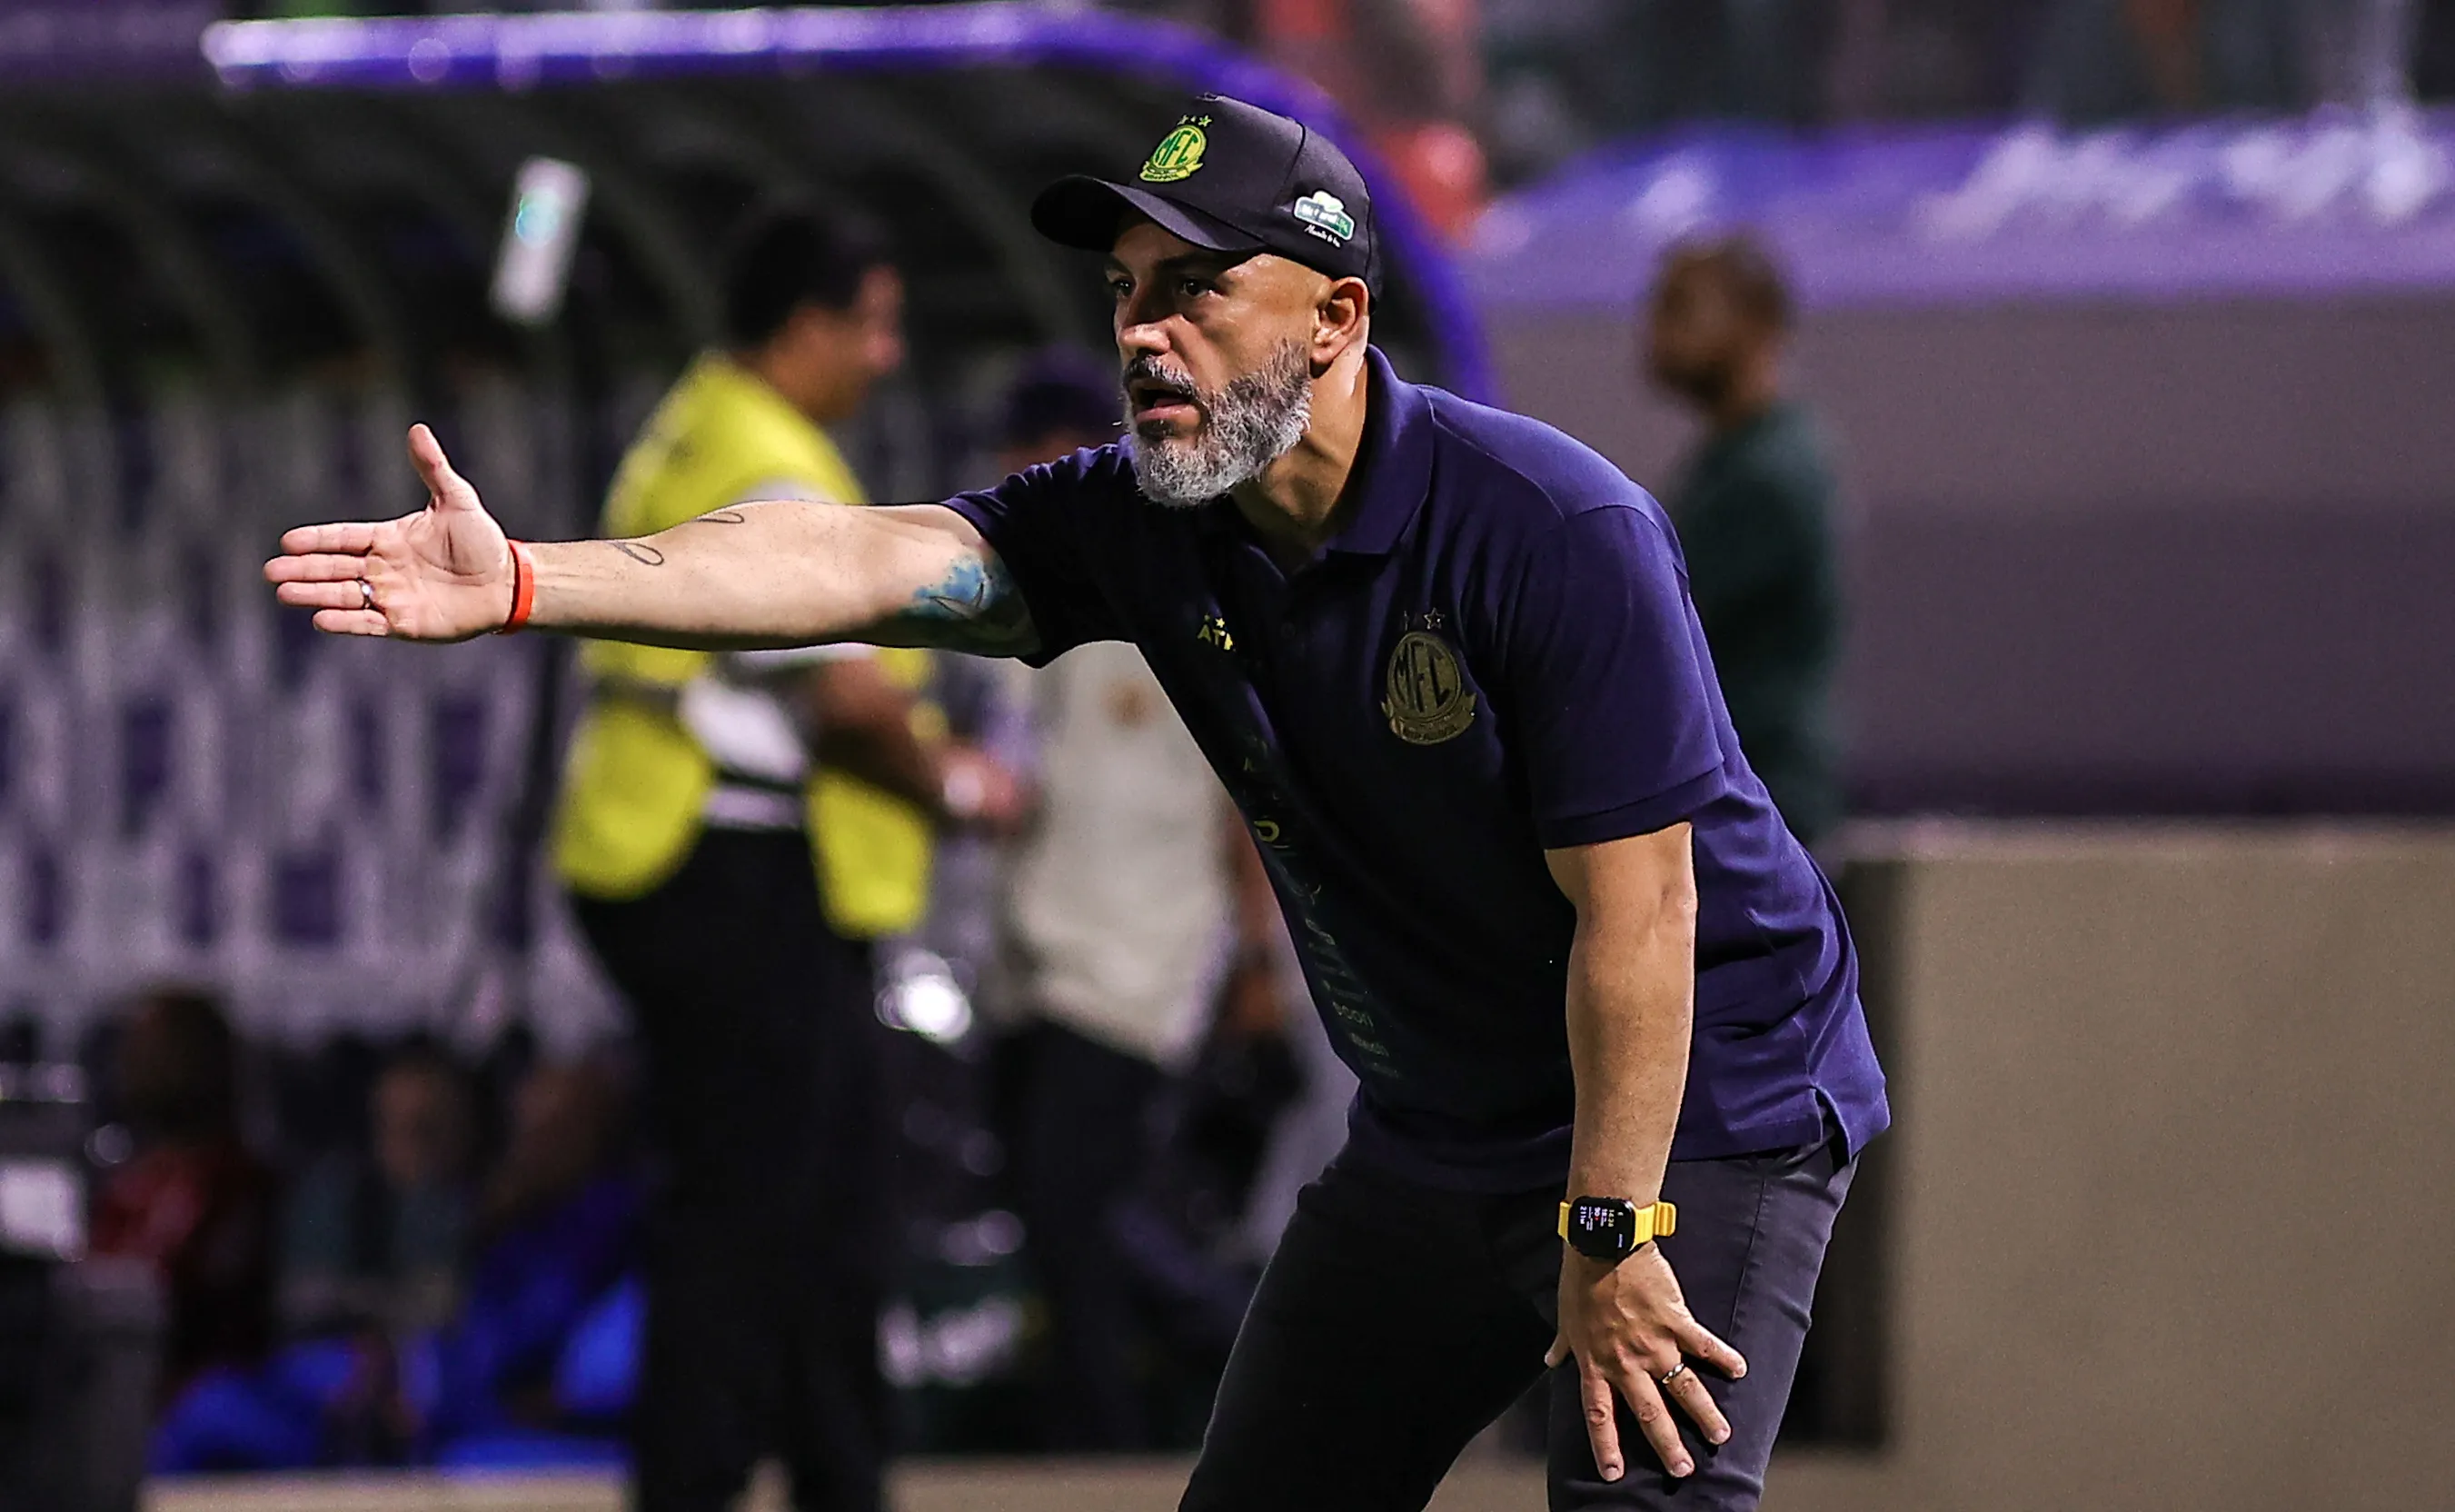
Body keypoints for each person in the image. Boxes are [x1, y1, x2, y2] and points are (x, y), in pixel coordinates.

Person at [266, 94, 1889, 1512]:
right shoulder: (1141, 515)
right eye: (1124, 293)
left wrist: (1609, 1230)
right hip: (1446, 1128)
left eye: (1193, 289)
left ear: (1334, 318)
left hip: (1699, 1107)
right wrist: (534, 577)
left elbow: (1645, 905)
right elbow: (853, 552)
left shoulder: (1549, 529)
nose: (1139, 333)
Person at [545, 204, 1014, 1512]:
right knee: (754, 1218)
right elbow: (851, 709)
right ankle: (711, 1484)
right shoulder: (773, 465)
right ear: (806, 328)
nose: (886, 353)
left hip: (681, 861)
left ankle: (831, 1475)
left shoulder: (693, 423)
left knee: (809, 1209)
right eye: (871, 322)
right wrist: (967, 787)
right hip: (736, 872)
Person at [985, 348, 1284, 1449]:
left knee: (1074, 1205)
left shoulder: (1180, 588)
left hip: (1134, 961)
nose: (1015, 474)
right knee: (1068, 1209)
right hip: (1031, 960)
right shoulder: (1035, 609)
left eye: (1035, 450)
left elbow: (1246, 796)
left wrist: (1255, 960)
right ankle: (1176, 1374)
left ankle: (1137, 1412)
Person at [1643, 234, 1844, 849]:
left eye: (1682, 309)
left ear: (1757, 324)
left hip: (1757, 808)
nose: (1657, 333)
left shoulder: (1770, 476)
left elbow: (1653, 614)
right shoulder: (1731, 460)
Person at [90, 988, 278, 1407]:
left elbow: (174, 1293)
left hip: (201, 1403)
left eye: (159, 1047)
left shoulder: (237, 1184)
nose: (133, 1063)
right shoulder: (129, 1189)